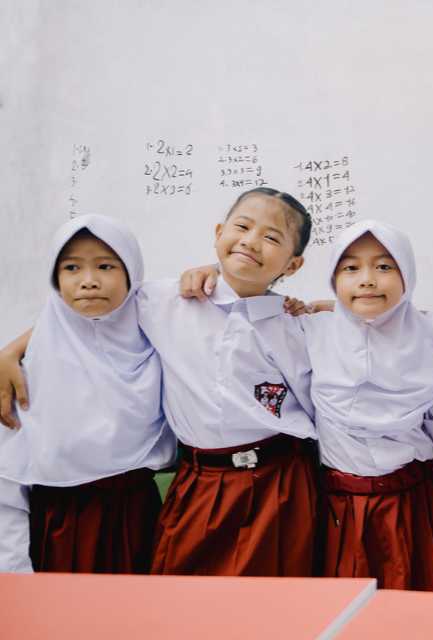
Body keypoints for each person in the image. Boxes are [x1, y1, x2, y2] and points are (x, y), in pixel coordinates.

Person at [0, 188, 320, 575]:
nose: (251, 241)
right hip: (201, 479)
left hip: (280, 479)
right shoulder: (163, 300)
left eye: (271, 237)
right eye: (242, 226)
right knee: (181, 603)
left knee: (275, 605)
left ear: (294, 264)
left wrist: (336, 309)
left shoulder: (297, 327)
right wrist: (12, 350)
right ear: (218, 232)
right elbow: (84, 318)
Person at [0, 215, 175, 573]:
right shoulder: (26, 368)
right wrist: (14, 571)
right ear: (55, 279)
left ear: (131, 273)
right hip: (58, 530)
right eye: (71, 267)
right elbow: (7, 480)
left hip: (138, 522)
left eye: (106, 265)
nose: (89, 281)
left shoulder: (158, 347)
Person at [307, 219, 433, 589]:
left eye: (384, 266)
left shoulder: (430, 339)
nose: (367, 280)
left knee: (413, 606)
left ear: (406, 274)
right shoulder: (312, 333)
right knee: (341, 607)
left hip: (410, 499)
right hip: (336, 502)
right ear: (333, 278)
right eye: (350, 268)